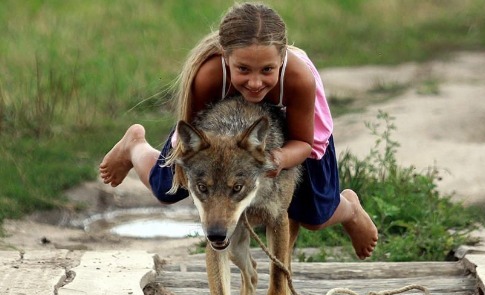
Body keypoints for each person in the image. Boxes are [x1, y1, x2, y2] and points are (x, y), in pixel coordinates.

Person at [99, 2, 378, 259]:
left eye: (267, 69)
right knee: (166, 190)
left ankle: (350, 208)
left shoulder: (298, 78)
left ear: (282, 57)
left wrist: (278, 158)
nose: (255, 82)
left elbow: (304, 141)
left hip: (296, 134)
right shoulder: (209, 75)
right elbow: (192, 134)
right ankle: (134, 145)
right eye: (243, 69)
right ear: (226, 57)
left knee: (314, 215)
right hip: (223, 130)